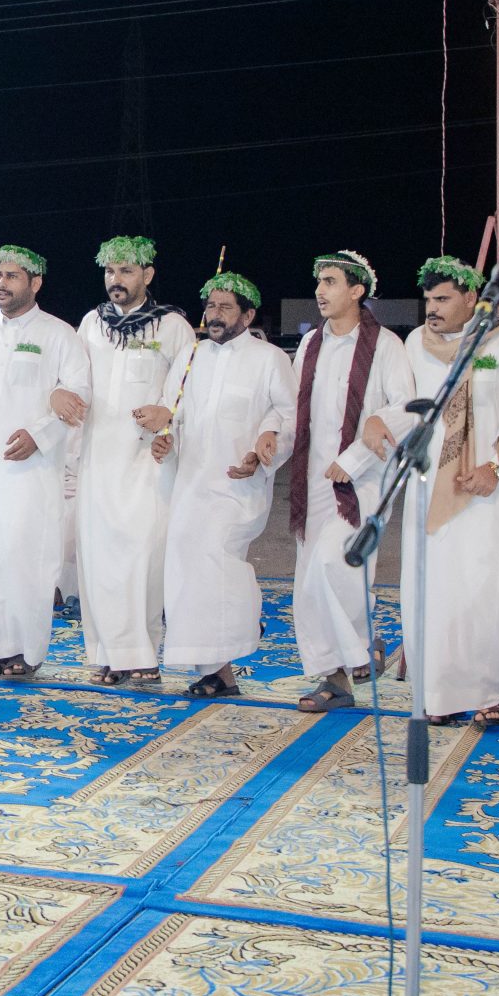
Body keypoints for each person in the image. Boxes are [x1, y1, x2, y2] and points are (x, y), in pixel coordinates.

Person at [399, 256, 499, 728]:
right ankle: (435, 694)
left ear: (470, 298)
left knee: (482, 588)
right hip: (427, 486)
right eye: (428, 300)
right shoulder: (415, 345)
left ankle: (487, 692)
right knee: (430, 589)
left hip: (487, 488)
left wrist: (498, 466)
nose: (432, 309)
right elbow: (403, 407)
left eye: (442, 299)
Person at [0, 245, 93, 680]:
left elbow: (79, 394)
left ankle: (25, 650)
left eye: (12, 276)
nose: (2, 283)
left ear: (35, 283)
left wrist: (40, 434)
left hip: (30, 468)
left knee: (24, 557)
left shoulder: (59, 335)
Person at [64, 235, 196, 684]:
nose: (115, 280)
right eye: (109, 271)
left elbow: (189, 386)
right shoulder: (91, 324)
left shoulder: (173, 326)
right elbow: (75, 379)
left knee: (142, 556)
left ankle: (140, 653)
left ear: (147, 275)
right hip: (97, 459)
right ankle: (107, 652)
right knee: (98, 557)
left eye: (125, 271)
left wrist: (169, 416)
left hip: (146, 461)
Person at [290, 250, 417, 711]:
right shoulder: (311, 344)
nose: (320, 291)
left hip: (363, 482)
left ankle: (353, 660)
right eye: (318, 282)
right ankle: (339, 671)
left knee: (334, 563)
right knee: (312, 577)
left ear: (357, 290)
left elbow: (406, 409)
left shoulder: (386, 346)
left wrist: (355, 458)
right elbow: (293, 411)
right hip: (312, 479)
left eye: (330, 282)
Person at [155, 272, 293, 695]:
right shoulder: (191, 355)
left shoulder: (269, 359)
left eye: (225, 308)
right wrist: (164, 437)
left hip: (237, 485)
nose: (214, 315)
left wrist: (264, 445)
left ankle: (235, 642)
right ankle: (213, 670)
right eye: (211, 306)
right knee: (188, 568)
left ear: (247, 316)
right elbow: (171, 409)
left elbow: (287, 414)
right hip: (189, 482)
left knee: (219, 564)